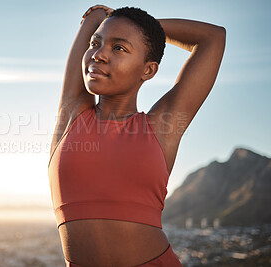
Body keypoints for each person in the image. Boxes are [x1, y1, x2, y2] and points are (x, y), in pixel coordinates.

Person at [48, 4, 226, 267]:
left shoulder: (161, 128)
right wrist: (107, 21)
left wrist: (145, 28)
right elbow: (94, 18)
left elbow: (213, 37)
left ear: (148, 70)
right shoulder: (72, 115)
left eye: (119, 47)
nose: (99, 54)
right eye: (95, 43)